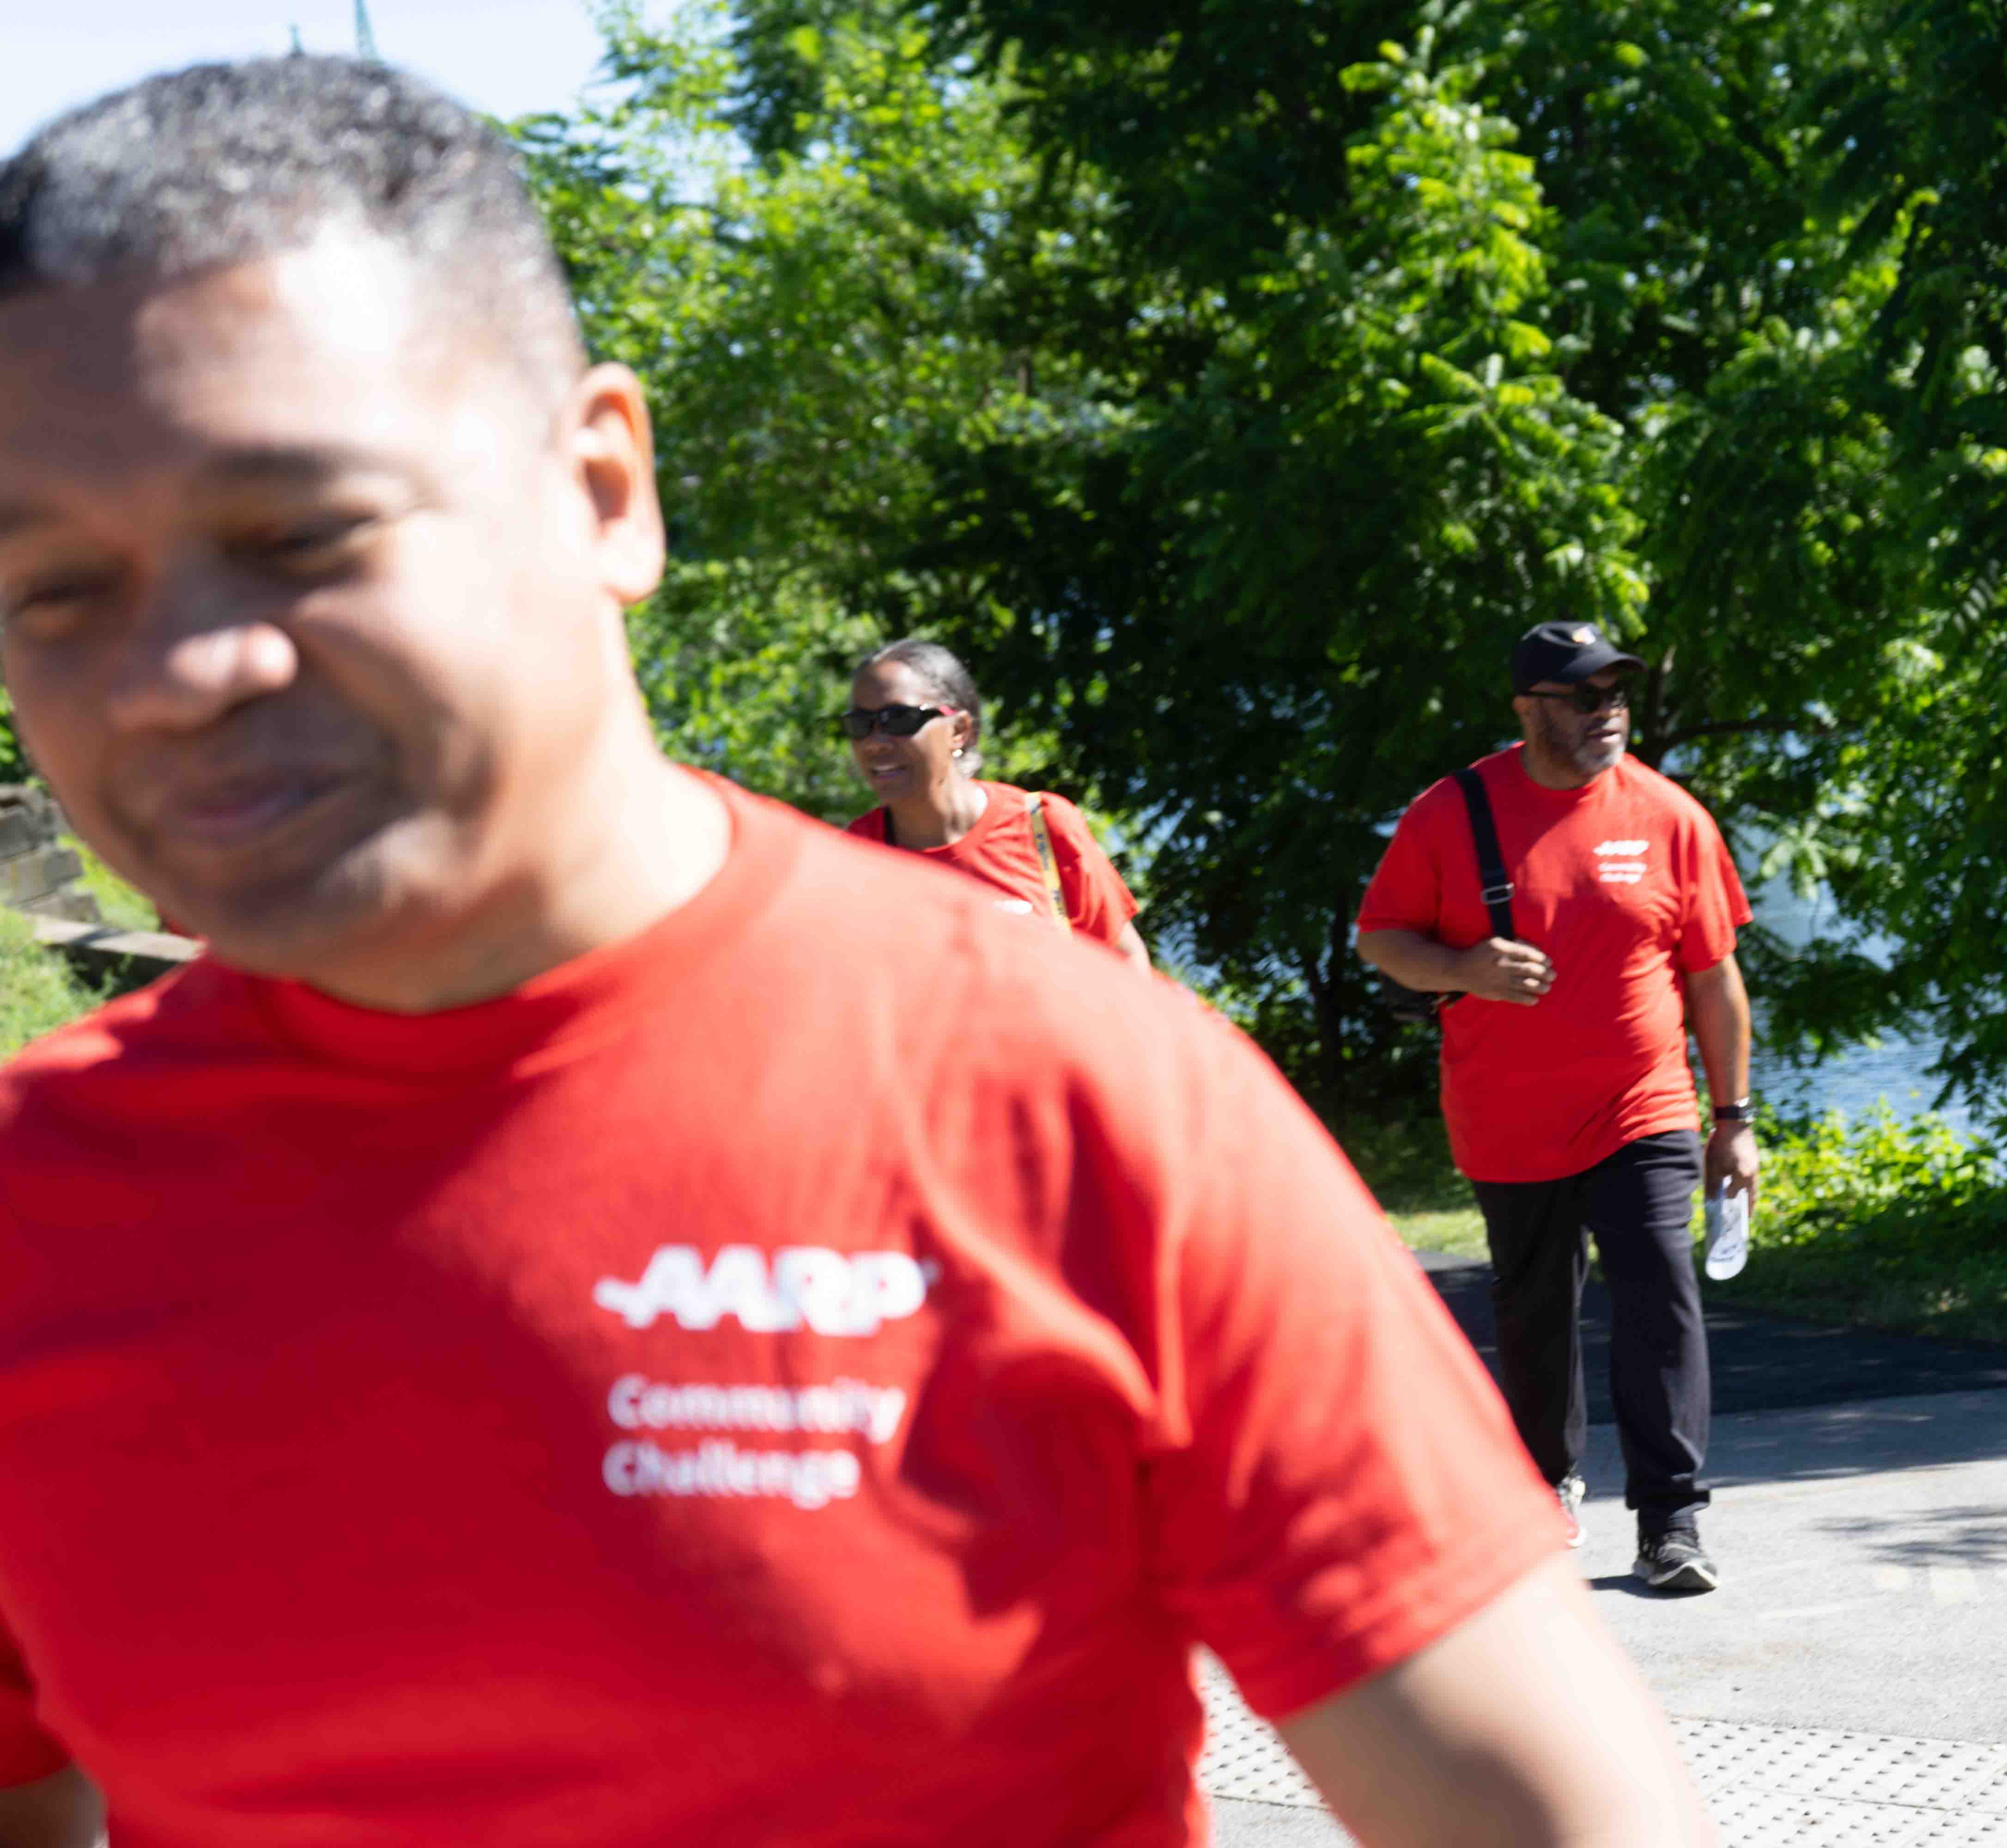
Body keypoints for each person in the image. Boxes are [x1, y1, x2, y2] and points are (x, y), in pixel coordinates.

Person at [0, 61, 1714, 1848]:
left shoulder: (1081, 1113)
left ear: (602, 489)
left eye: (299, 533)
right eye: (55, 588)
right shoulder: (32, 1213)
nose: (179, 672)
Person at [1355, 620, 1758, 1596]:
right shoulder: (1452, 813)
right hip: (1507, 1116)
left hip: (1643, 1105)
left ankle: (1671, 1520)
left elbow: (1714, 979)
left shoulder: (1670, 816)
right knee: (1534, 1311)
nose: (1607, 712)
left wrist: (1734, 1119)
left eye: (1616, 694)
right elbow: (1383, 938)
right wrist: (1464, 968)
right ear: (1529, 709)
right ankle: (1543, 1489)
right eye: (1584, 697)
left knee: (1659, 1292)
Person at [839, 637, 1153, 973]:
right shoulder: (851, 858)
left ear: (959, 730)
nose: (875, 743)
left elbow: (1125, 962)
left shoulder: (1043, 827)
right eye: (860, 725)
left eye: (899, 719)